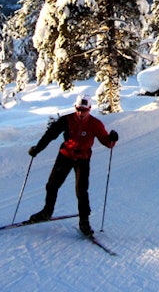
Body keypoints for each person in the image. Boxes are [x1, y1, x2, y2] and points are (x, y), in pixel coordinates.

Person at [27, 94, 118, 236]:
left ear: (89, 109)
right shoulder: (66, 120)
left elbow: (107, 143)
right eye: (79, 109)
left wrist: (112, 139)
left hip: (83, 159)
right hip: (65, 156)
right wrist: (37, 149)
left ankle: (84, 222)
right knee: (52, 185)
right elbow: (50, 135)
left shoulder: (95, 124)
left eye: (84, 110)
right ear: (75, 107)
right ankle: (47, 212)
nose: (81, 113)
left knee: (81, 191)